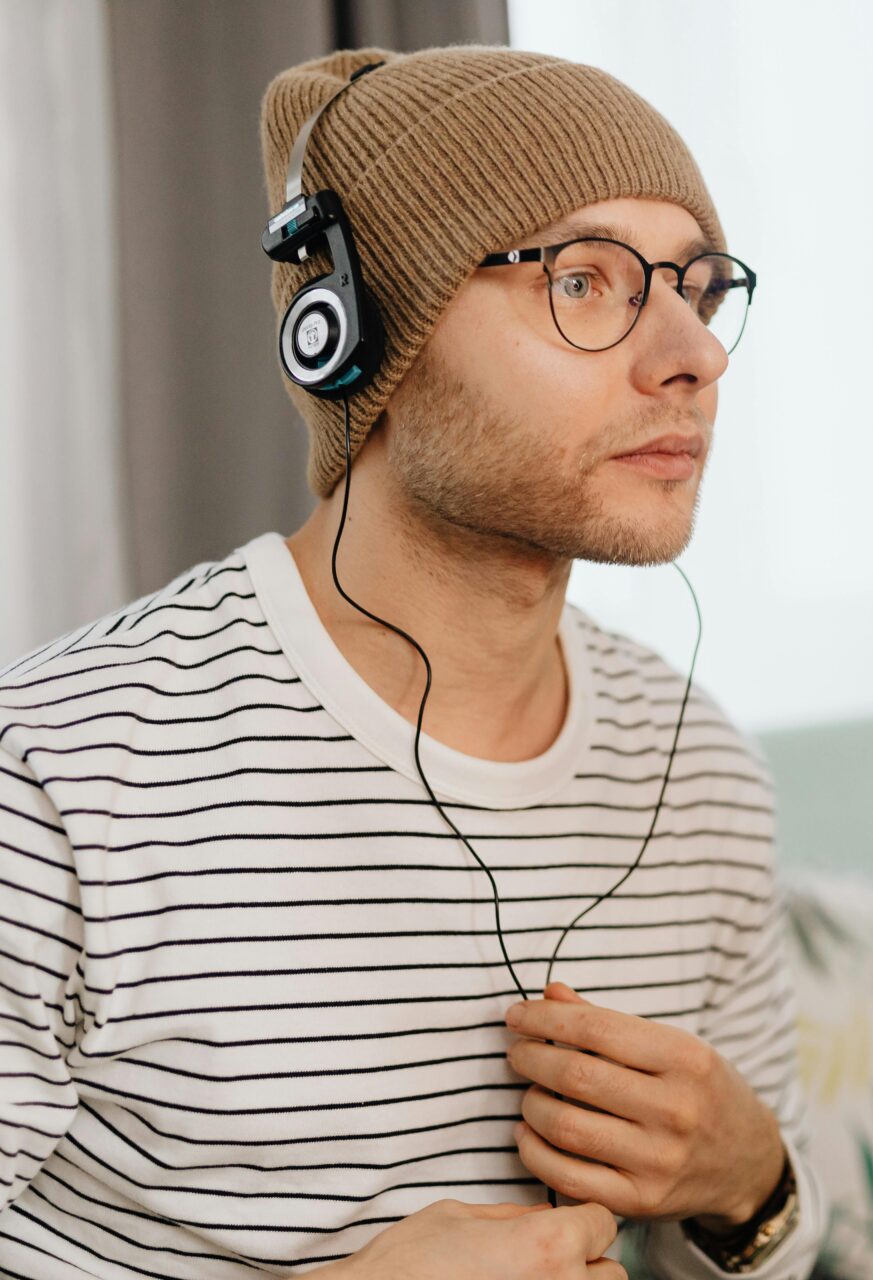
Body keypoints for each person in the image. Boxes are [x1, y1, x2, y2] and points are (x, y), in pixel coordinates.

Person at [0, 44, 823, 1279]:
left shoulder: (699, 766)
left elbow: (779, 1254)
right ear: (359, 336)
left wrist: (748, 1185)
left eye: (699, 291)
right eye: (587, 280)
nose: (693, 355)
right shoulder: (60, 773)